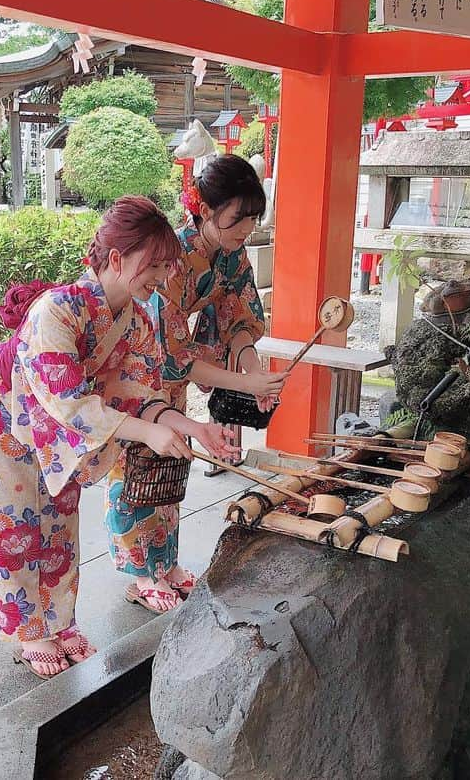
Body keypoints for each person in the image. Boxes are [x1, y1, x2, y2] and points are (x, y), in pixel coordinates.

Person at [0, 196, 239, 678]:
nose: (161, 278)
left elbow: (138, 392)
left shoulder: (133, 318)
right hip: (8, 420)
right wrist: (147, 433)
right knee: (14, 523)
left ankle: (59, 621)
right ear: (116, 258)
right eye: (153, 266)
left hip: (66, 435)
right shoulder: (56, 311)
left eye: (165, 267)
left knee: (59, 522)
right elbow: (70, 401)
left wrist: (194, 428)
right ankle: (30, 631)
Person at [105, 154, 287, 615]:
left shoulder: (232, 253)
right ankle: (138, 574)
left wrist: (250, 369)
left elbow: (239, 319)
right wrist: (244, 384)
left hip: (174, 378)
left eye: (252, 218)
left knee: (172, 467)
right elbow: (173, 353)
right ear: (205, 210)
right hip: (139, 371)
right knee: (138, 471)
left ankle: (164, 563)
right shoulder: (170, 258)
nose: (246, 227)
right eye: (236, 218)